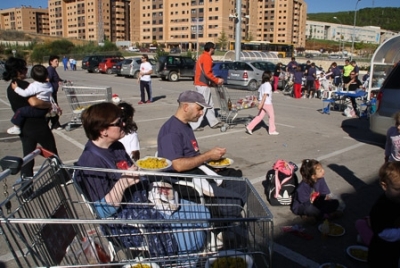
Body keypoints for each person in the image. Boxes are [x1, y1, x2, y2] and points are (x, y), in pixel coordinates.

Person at [74, 102, 210, 257]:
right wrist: (124, 182)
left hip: (144, 199)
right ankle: (179, 259)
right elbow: (103, 211)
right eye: (118, 123)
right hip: (127, 221)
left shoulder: (116, 146)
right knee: (194, 238)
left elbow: (132, 171)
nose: (123, 124)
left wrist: (148, 179)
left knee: (202, 212)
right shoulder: (90, 162)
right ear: (103, 131)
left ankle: (185, 254)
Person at [157, 90, 247, 218]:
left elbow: (192, 155)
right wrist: (207, 156)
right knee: (234, 201)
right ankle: (222, 225)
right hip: (185, 182)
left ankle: (227, 221)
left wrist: (210, 161)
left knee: (241, 182)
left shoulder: (185, 126)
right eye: (199, 109)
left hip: (198, 172)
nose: (202, 113)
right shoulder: (171, 132)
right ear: (186, 107)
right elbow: (177, 165)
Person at [3, 57, 58, 178]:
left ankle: (26, 189)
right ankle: (62, 177)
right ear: (17, 71)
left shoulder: (11, 87)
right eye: (23, 68)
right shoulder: (25, 85)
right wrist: (50, 105)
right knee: (51, 152)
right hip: (37, 124)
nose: (26, 70)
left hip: (24, 127)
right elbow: (34, 102)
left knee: (27, 159)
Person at [368, 161, 400, 267]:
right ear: (384, 185)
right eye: (397, 189)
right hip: (382, 253)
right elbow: (382, 232)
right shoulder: (382, 207)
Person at [7, 65, 56, 135]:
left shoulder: (34, 86)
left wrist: (16, 89)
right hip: (44, 109)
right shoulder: (49, 85)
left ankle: (16, 127)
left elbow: (24, 94)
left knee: (20, 111)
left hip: (36, 109)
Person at [190, 42, 223, 131]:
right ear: (211, 49)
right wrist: (217, 80)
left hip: (201, 83)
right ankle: (194, 125)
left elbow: (203, 72)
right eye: (214, 49)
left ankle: (213, 122)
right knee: (203, 105)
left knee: (209, 104)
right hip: (202, 84)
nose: (214, 50)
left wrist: (211, 82)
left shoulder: (202, 57)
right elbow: (207, 73)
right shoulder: (207, 58)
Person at [245, 71, 278, 135]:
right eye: (272, 75)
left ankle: (249, 127)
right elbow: (265, 95)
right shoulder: (268, 85)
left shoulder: (262, 85)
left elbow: (259, 94)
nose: (273, 76)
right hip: (267, 103)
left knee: (259, 116)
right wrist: (260, 104)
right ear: (269, 77)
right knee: (271, 116)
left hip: (263, 102)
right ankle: (272, 130)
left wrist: (259, 103)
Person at [47, 55, 63, 130]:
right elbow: (48, 80)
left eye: (58, 61)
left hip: (53, 92)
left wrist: (63, 81)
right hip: (51, 93)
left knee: (54, 108)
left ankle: (55, 123)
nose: (57, 63)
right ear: (51, 62)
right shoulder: (50, 69)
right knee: (54, 108)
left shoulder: (53, 69)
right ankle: (54, 124)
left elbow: (56, 78)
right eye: (56, 61)